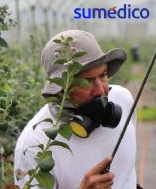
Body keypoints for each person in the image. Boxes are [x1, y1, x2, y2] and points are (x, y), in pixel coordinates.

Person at [13, 30, 137, 188]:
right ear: (60, 88)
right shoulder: (33, 145)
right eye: (87, 81)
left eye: (103, 75)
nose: (101, 90)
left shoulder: (123, 99)